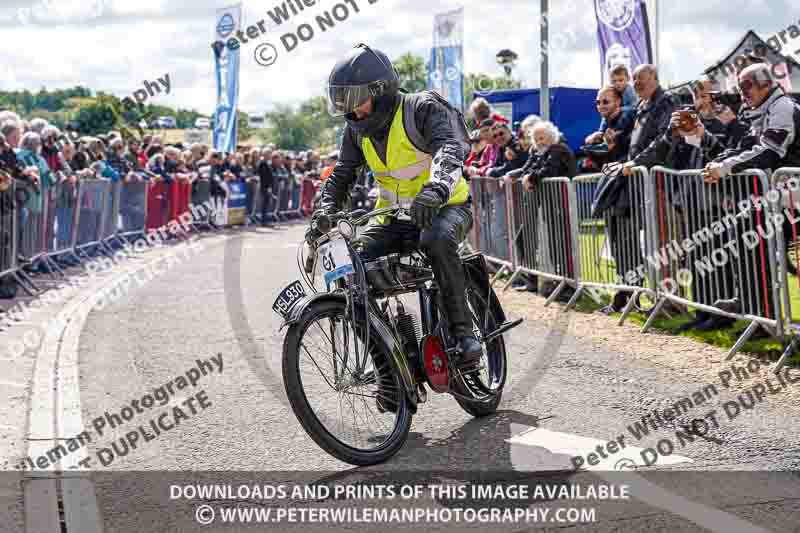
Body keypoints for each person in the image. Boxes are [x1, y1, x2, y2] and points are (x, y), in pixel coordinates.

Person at [312, 43, 481, 365]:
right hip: (393, 218)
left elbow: (449, 148)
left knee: (436, 241)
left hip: (446, 207)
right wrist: (324, 210)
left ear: (382, 91)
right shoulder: (355, 130)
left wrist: (435, 191)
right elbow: (342, 173)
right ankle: (388, 360)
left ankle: (464, 334)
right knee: (350, 266)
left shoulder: (422, 108)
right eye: (344, 106)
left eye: (356, 102)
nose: (353, 113)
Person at [702, 63, 800, 320]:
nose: (743, 93)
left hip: (791, 197)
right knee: (747, 244)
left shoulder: (782, 107)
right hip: (772, 197)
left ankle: (765, 313)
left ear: (766, 84)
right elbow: (745, 144)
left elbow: (769, 151)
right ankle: (753, 305)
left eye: (748, 87)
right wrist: (719, 163)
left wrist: (725, 168)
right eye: (740, 87)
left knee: (762, 251)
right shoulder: (757, 110)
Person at [584, 86, 636, 164]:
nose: (600, 106)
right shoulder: (606, 121)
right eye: (598, 103)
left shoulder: (629, 115)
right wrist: (589, 141)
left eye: (605, 102)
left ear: (618, 102)